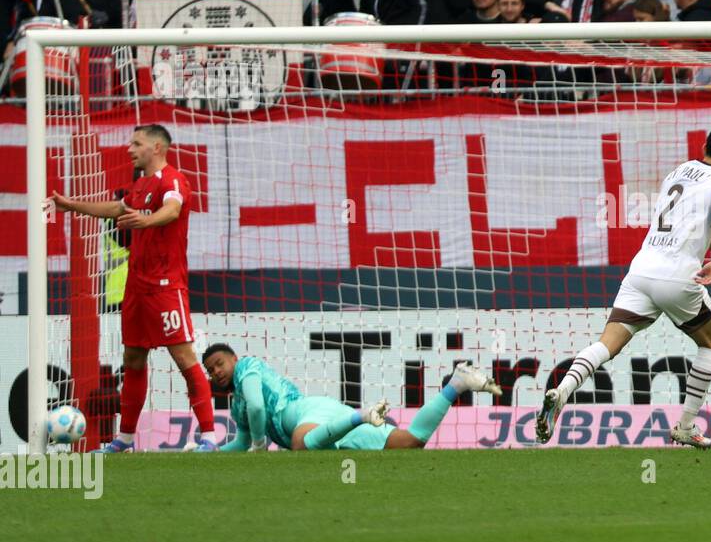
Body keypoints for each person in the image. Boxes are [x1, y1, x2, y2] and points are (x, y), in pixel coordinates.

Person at [535, 127, 711, 450]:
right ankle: (686, 426)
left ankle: (562, 390)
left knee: (607, 343)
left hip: (642, 269)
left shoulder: (679, 172)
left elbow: (688, 220)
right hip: (677, 276)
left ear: (704, 147)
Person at [49, 125, 219, 452]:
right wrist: (72, 205)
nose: (129, 149)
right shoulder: (139, 185)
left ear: (157, 148)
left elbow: (173, 208)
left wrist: (146, 221)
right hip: (137, 288)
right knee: (133, 358)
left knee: (183, 356)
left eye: (136, 143)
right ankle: (125, 439)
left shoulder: (172, 179)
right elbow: (117, 209)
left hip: (166, 286)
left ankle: (209, 436)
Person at [202, 347, 501, 451]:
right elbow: (241, 443)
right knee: (410, 442)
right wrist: (211, 453)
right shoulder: (236, 407)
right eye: (210, 370)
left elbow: (257, 405)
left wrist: (258, 445)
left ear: (233, 359)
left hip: (308, 412)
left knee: (299, 446)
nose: (216, 371)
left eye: (219, 363)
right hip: (330, 423)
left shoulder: (246, 368)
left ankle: (361, 415)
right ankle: (457, 383)